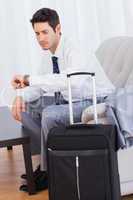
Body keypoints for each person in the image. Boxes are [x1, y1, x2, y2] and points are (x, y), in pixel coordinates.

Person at [11, 8, 115, 192]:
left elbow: (72, 82)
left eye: (45, 32)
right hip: (70, 99)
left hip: (94, 99)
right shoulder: (48, 53)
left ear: (57, 28)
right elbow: (41, 84)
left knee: (50, 114)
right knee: (29, 108)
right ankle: (50, 161)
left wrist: (28, 79)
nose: (41, 38)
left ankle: (48, 171)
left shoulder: (74, 48)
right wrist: (20, 97)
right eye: (37, 33)